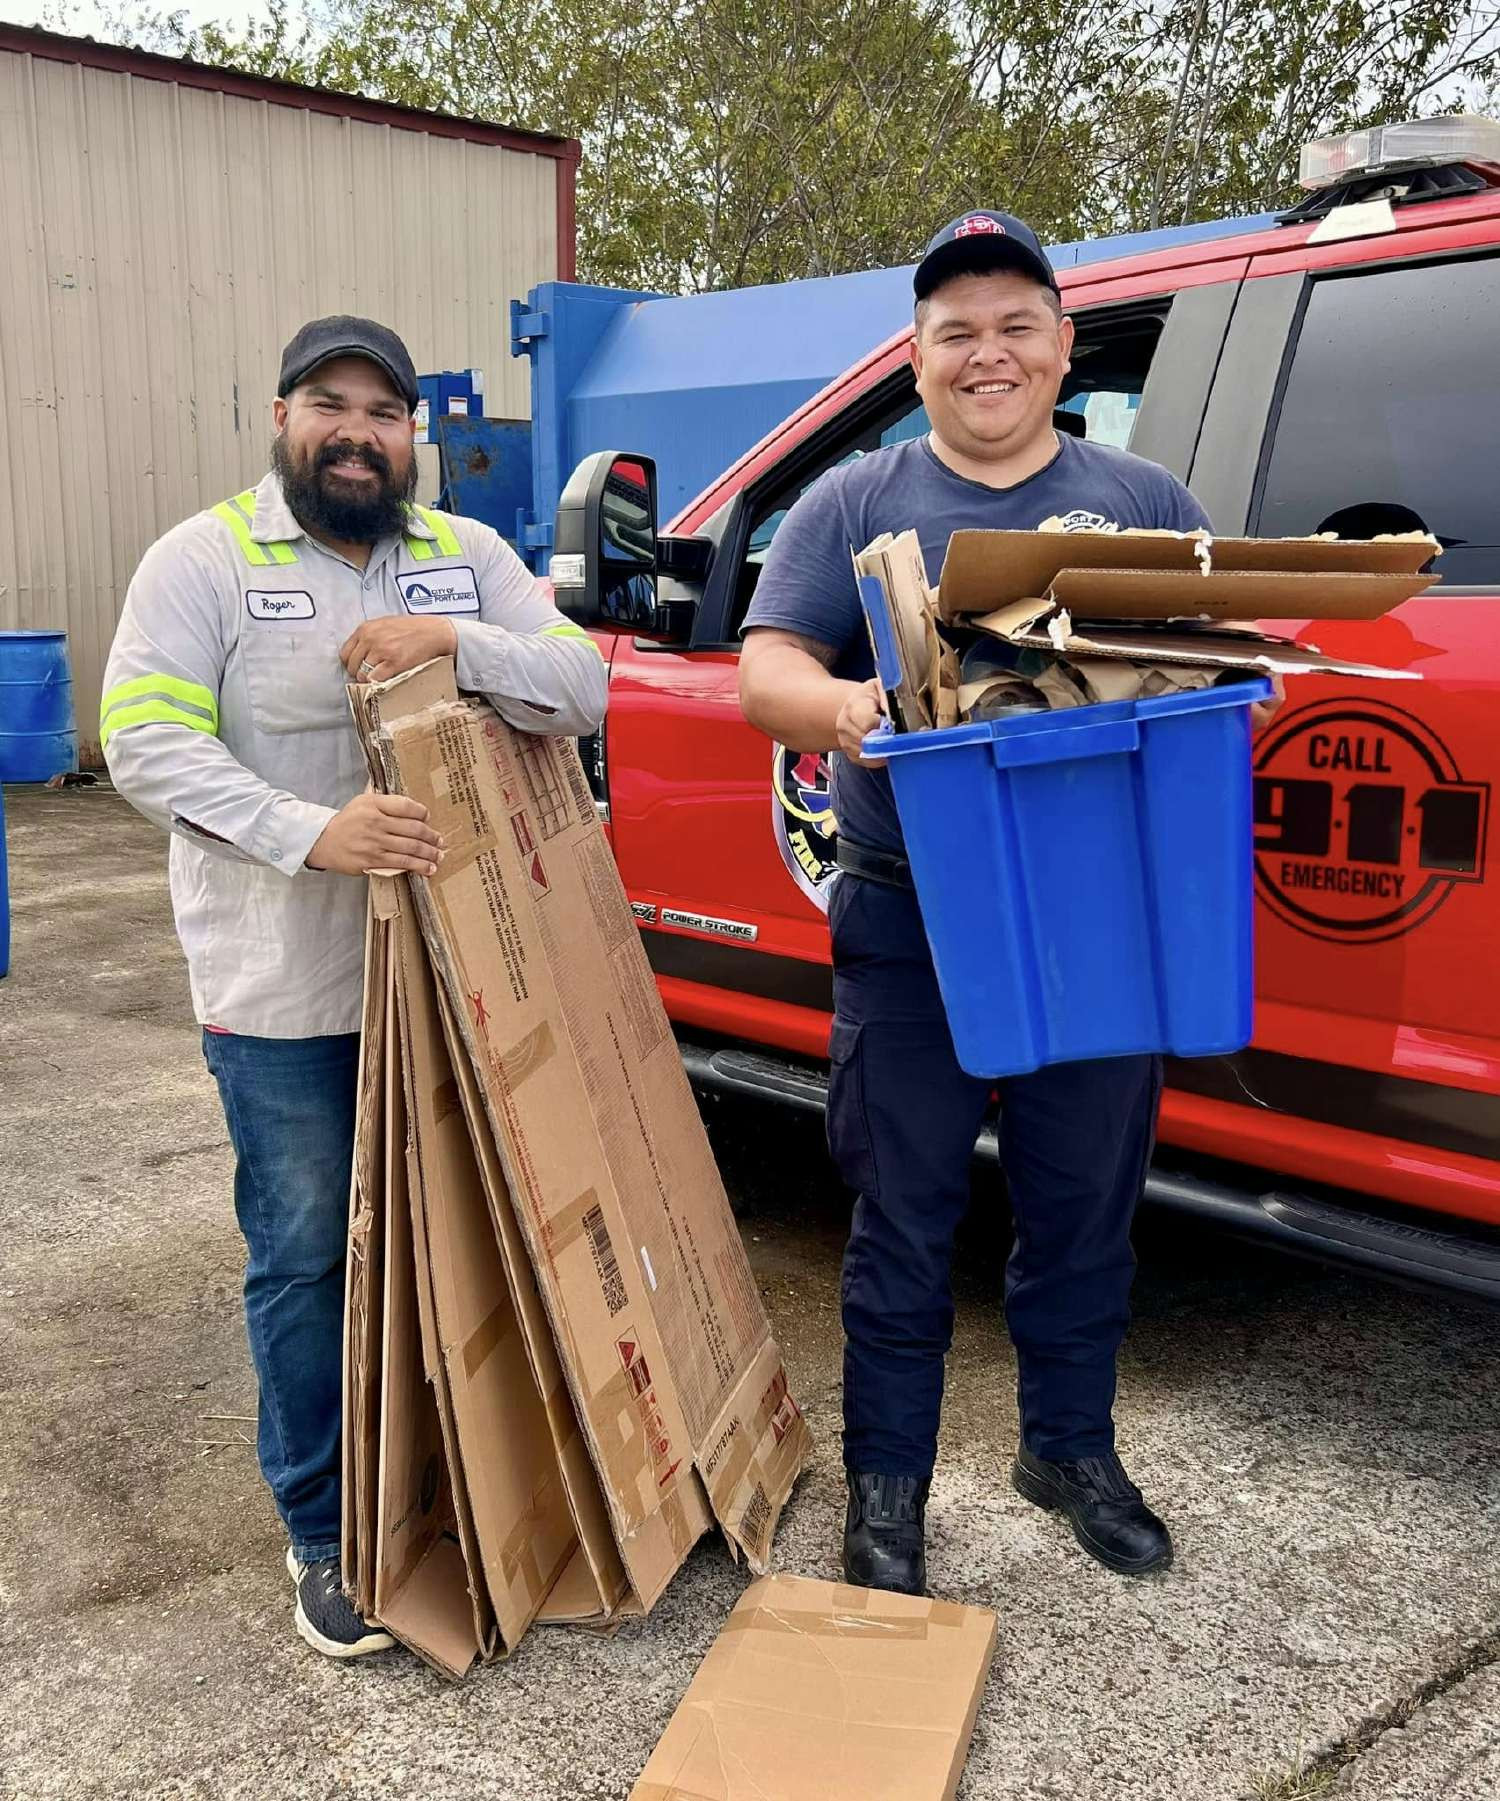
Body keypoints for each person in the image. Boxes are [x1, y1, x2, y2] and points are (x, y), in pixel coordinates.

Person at [739, 212, 1282, 1595]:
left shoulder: (1147, 502)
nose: (988, 353)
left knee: (1085, 1199)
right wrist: (853, 705)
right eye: (954, 331)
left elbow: (1212, 669)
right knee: (905, 1212)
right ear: (918, 360)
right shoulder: (856, 502)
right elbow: (766, 671)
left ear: (1060, 347)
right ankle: (888, 1492)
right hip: (913, 916)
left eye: (1016, 325)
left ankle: (1068, 1448)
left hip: (1100, 914)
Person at [101, 316, 607, 1655]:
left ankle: (455, 1480)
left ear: (413, 438)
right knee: (311, 1252)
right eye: (331, 404)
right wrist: (307, 829)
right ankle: (323, 1524)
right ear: (283, 419)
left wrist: (454, 651)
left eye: (386, 412)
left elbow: (579, 685)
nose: (360, 431)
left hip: (465, 980)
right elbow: (142, 739)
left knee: (474, 1229)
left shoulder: (465, 557)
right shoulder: (203, 558)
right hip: (287, 990)